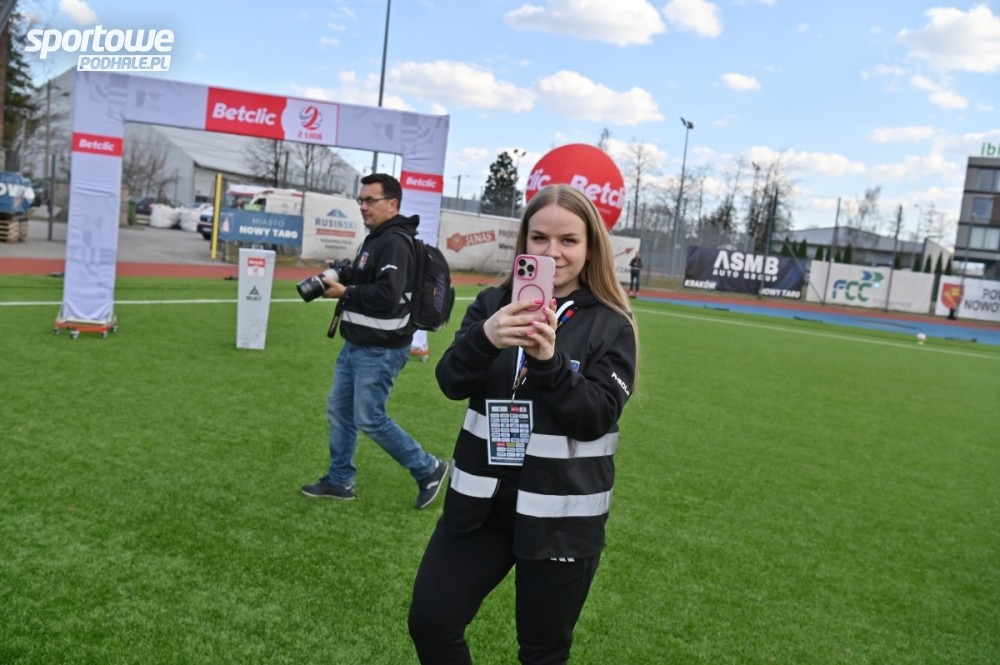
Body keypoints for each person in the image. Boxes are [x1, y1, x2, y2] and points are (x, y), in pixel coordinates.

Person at [408, 184, 639, 664]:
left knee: (542, 654)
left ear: (591, 247)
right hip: (481, 506)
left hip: (561, 516)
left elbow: (597, 416)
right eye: (540, 238)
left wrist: (550, 364)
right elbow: (450, 381)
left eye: (568, 240)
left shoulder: (611, 323)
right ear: (524, 242)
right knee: (431, 622)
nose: (552, 252)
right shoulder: (494, 303)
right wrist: (486, 338)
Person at [301, 173, 449, 509]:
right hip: (357, 343)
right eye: (361, 200)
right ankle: (340, 480)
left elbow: (387, 294)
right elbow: (369, 276)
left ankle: (428, 468)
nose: (363, 206)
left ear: (392, 204)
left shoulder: (395, 241)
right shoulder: (376, 238)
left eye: (371, 200)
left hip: (381, 349)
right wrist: (344, 273)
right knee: (340, 411)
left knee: (369, 417)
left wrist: (346, 291)